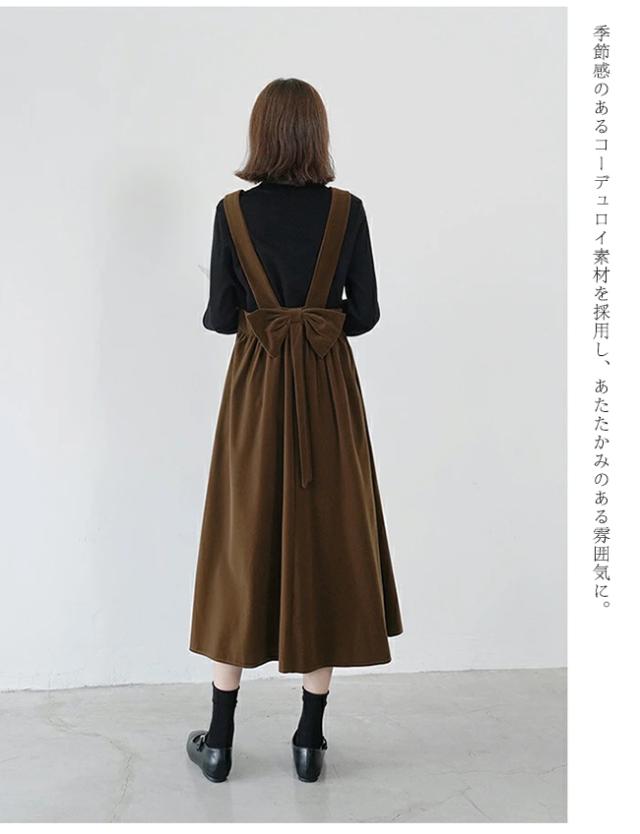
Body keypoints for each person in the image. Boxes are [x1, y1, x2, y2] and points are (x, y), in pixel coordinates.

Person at [187, 78, 403, 784]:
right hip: (326, 391)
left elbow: (220, 316)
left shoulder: (232, 213)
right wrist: (315, 313)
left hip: (256, 391)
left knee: (240, 544)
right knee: (325, 545)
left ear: (261, 134)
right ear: (318, 134)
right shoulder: (347, 211)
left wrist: (265, 308)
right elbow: (364, 315)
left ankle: (220, 740)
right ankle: (309, 741)